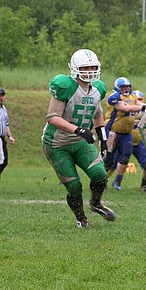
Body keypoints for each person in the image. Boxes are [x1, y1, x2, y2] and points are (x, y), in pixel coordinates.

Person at [42, 49, 116, 228]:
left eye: (92, 67)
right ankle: (81, 218)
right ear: (75, 68)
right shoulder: (65, 86)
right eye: (85, 68)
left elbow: (97, 113)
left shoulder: (97, 88)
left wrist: (102, 137)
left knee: (99, 174)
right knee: (74, 186)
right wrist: (79, 130)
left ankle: (96, 203)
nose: (89, 71)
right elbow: (52, 117)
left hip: (79, 142)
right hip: (57, 144)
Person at [104, 77, 145, 190]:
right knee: (109, 158)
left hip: (126, 133)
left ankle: (118, 181)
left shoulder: (132, 97)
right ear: (118, 88)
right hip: (112, 132)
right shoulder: (114, 97)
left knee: (125, 156)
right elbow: (126, 108)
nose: (126, 89)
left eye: (127, 87)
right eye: (123, 87)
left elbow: (139, 103)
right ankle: (101, 180)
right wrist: (144, 107)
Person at [131, 89, 146, 170]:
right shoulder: (126, 109)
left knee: (145, 162)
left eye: (140, 99)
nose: (138, 102)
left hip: (138, 141)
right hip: (124, 139)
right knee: (114, 162)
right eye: (136, 99)